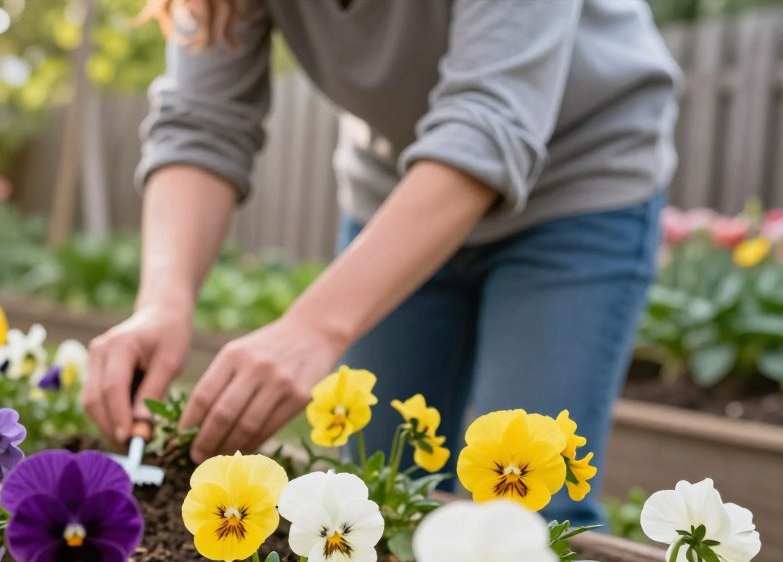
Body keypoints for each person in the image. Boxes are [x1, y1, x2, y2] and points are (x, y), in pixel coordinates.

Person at [82, 0, 681, 527]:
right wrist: (163, 301)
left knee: (529, 509)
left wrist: (314, 326)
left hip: (577, 189)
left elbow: (491, 118)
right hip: (397, 196)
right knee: (371, 497)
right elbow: (200, 122)